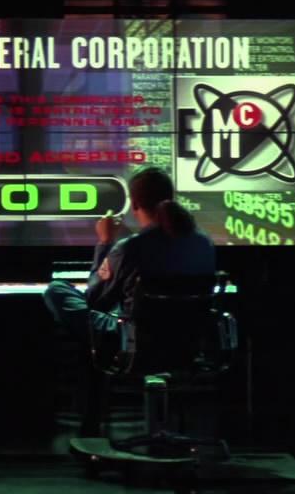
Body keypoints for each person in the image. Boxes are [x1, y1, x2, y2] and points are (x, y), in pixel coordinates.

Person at [43, 166, 216, 436]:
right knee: (100, 332)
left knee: (57, 291)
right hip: (190, 347)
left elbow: (95, 299)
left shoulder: (129, 248)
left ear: (134, 204)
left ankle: (90, 425)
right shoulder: (203, 243)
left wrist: (105, 242)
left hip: (135, 346)